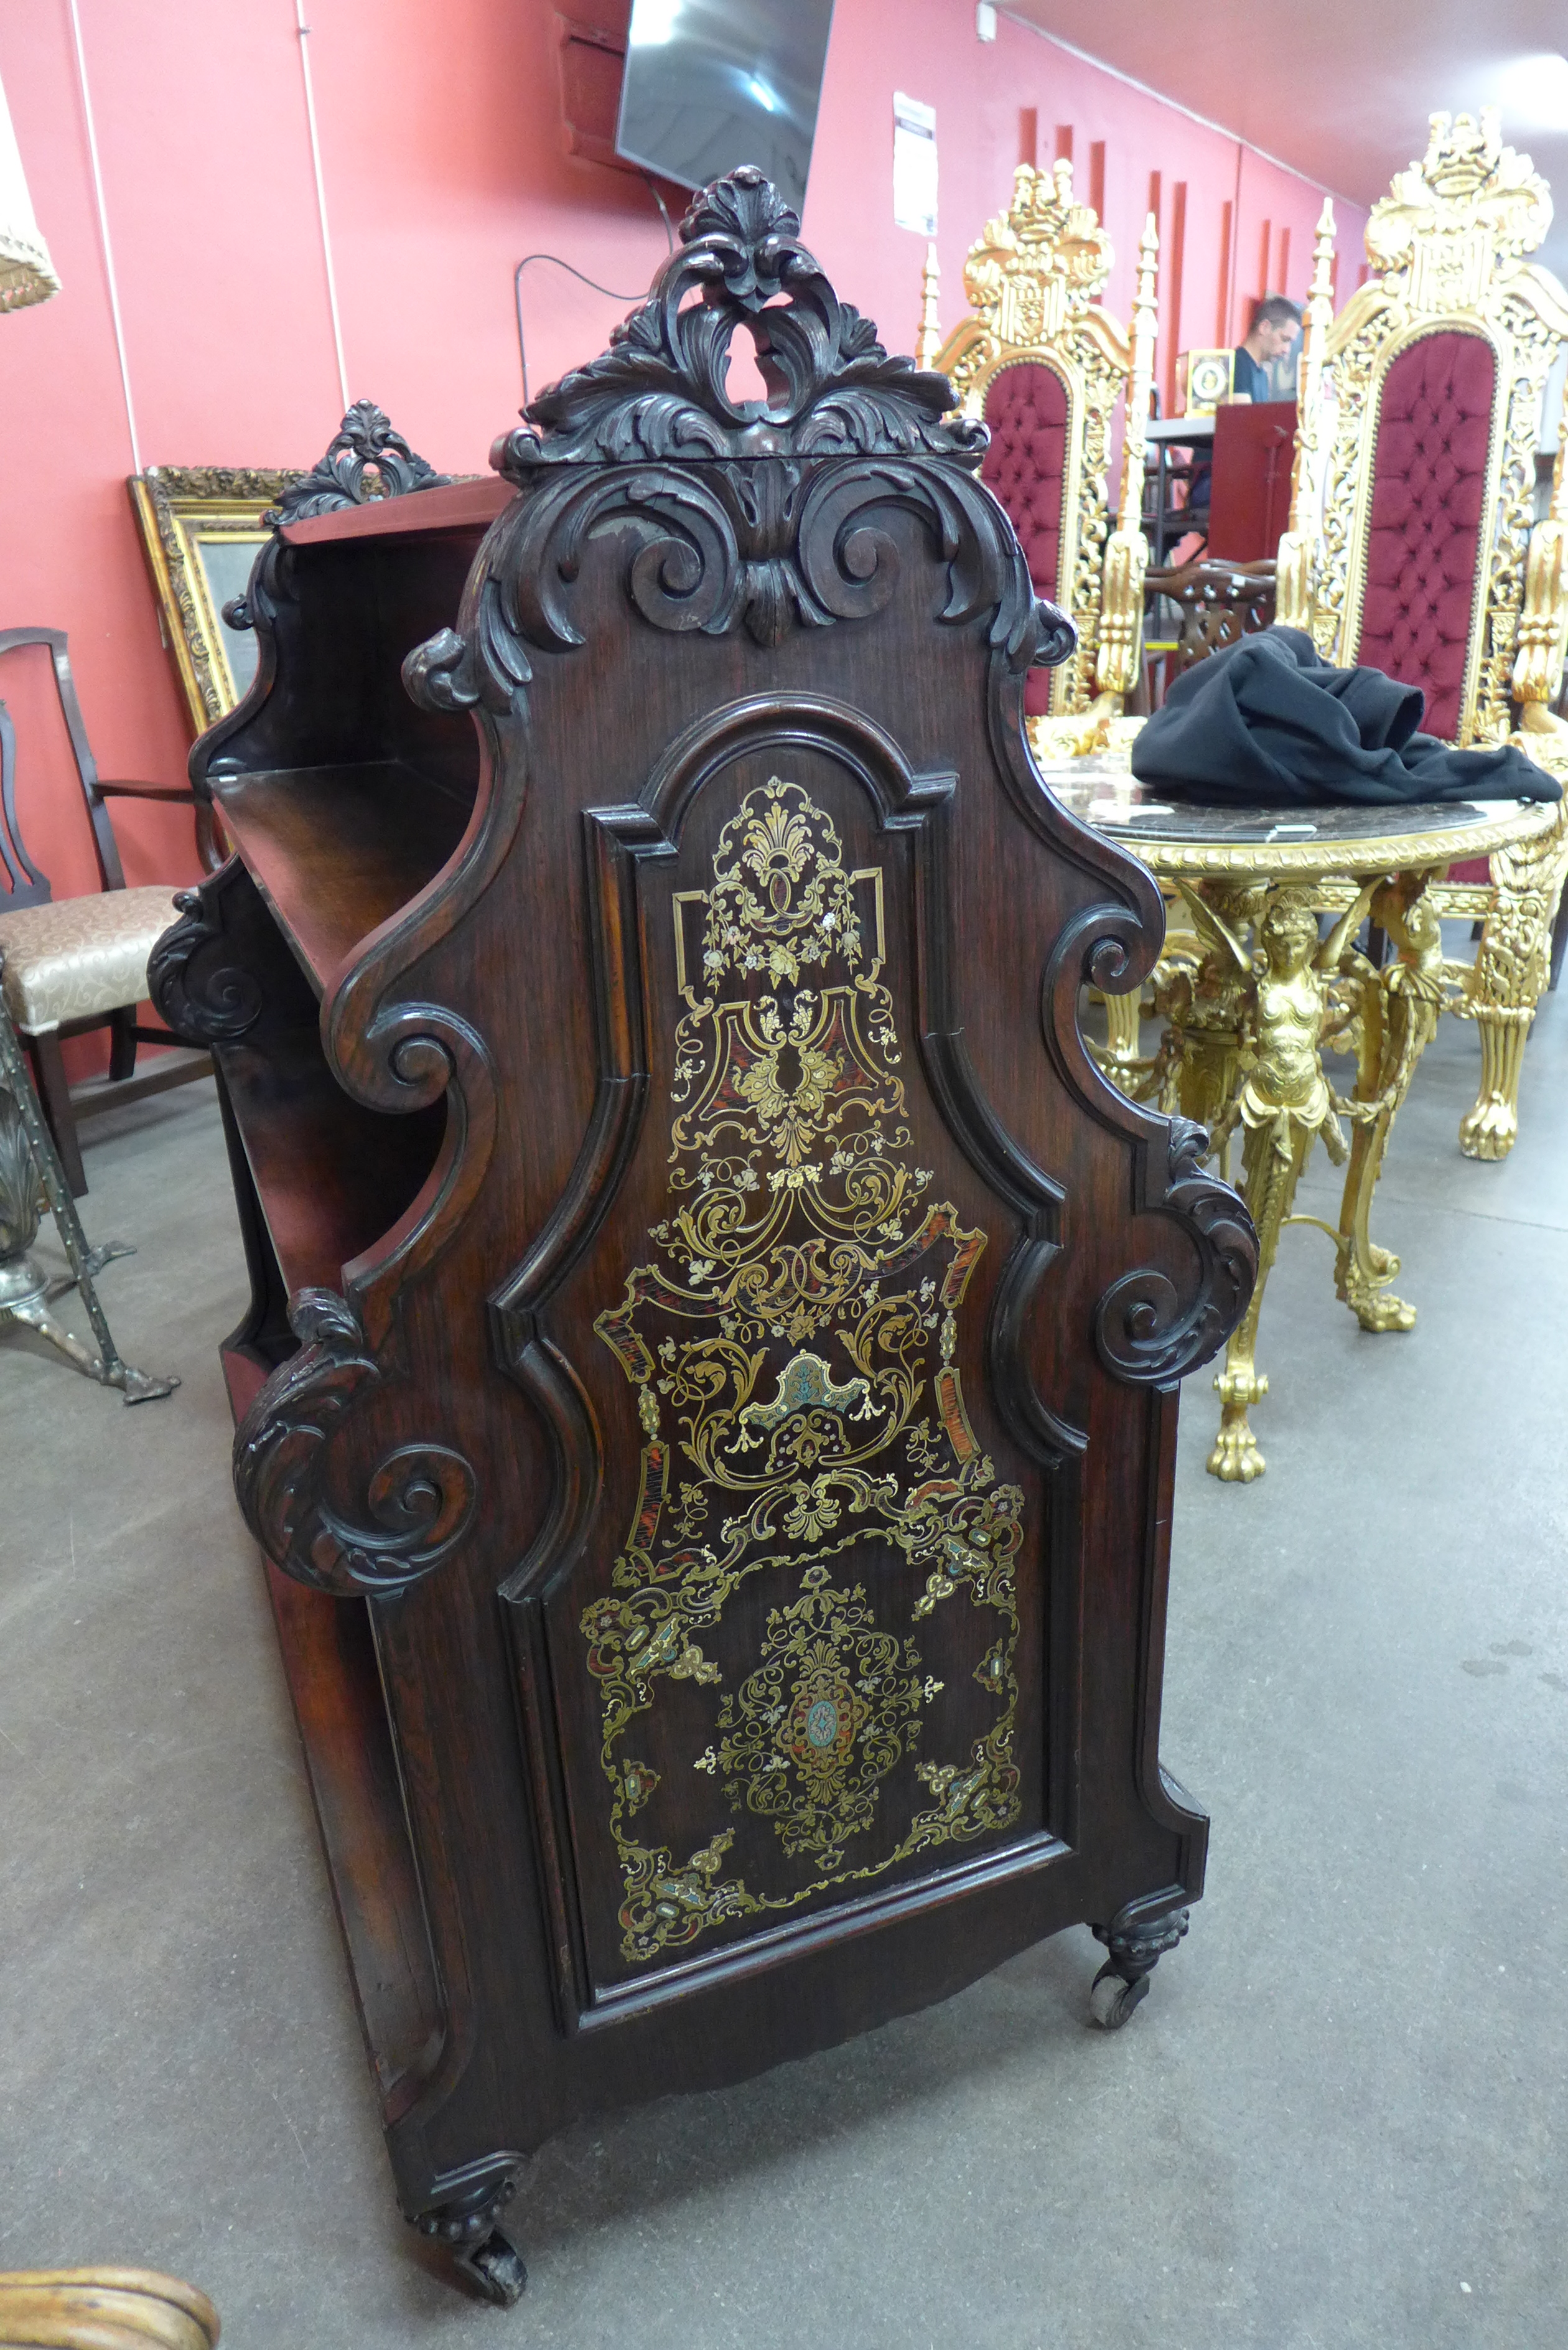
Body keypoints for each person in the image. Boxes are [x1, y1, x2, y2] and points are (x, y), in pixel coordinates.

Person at [1231, 294, 1302, 403]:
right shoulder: (1237, 365)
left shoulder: (1262, 375)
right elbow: (1244, 419)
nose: (1287, 350)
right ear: (1264, 327)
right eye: (1284, 339)